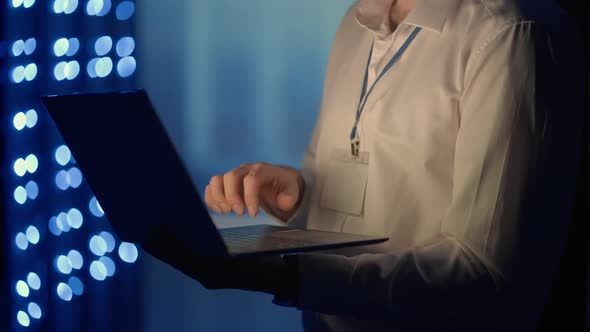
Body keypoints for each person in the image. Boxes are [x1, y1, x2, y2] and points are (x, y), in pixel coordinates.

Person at [141, 0, 586, 331]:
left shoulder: (510, 34)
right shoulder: (357, 25)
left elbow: (484, 274)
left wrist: (287, 277)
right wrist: (304, 195)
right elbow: (385, 180)